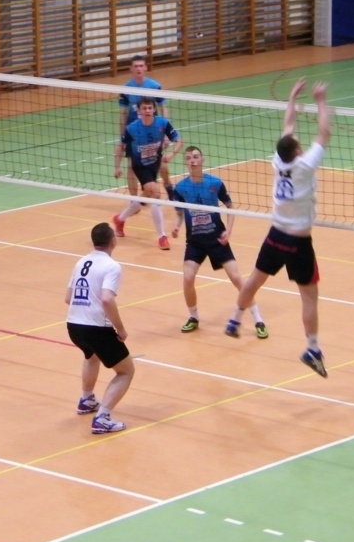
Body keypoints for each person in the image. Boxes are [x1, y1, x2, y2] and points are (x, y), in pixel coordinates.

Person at [225, 79, 331, 378]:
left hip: (275, 236)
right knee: (309, 297)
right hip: (298, 242)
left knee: (254, 280)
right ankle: (312, 348)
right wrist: (320, 100)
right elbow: (324, 133)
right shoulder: (305, 165)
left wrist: (292, 97)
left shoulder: (277, 161)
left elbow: (287, 126)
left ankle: (235, 319)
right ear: (297, 151)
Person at [171, 146, 266, 337]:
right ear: (185, 162)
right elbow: (180, 213)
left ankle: (258, 319)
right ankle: (193, 317)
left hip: (217, 239)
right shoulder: (180, 188)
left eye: (195, 157)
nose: (192, 160)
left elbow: (230, 207)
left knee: (236, 278)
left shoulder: (214, 183)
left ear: (202, 160)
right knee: (187, 278)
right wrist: (176, 226)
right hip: (195, 242)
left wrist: (228, 231)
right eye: (188, 158)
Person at [65, 222, 135, 434]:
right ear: (113, 240)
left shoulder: (81, 262)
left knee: (91, 356)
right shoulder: (111, 266)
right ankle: (102, 417)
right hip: (96, 328)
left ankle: (87, 399)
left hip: (73, 325)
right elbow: (106, 299)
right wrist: (120, 329)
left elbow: (68, 298)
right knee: (126, 371)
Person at [112, 98, 182, 250]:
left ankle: (120, 219)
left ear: (154, 109)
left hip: (154, 164)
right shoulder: (132, 128)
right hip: (140, 165)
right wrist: (116, 167)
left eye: (150, 108)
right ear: (139, 111)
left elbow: (178, 140)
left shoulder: (162, 123)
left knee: (147, 195)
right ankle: (162, 237)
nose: (148, 111)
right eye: (144, 108)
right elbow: (121, 146)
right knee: (155, 193)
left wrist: (171, 154)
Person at [117, 55, 174, 203]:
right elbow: (123, 113)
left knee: (160, 163)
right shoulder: (126, 89)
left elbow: (163, 108)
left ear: (146, 68)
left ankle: (168, 186)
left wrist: (166, 134)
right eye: (136, 66)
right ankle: (134, 200)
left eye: (141, 66)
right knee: (131, 166)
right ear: (131, 69)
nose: (139, 69)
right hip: (134, 133)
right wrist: (122, 136)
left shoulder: (154, 86)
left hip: (153, 131)